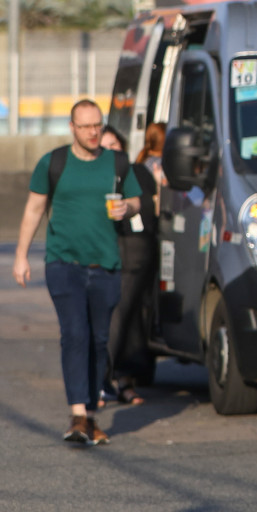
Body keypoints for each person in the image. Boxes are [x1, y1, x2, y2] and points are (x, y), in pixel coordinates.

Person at [13, 98, 144, 446]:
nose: (92, 132)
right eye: (85, 126)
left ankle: (89, 412)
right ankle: (79, 414)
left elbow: (137, 201)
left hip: (105, 265)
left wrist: (125, 208)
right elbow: (34, 209)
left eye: (97, 125)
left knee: (99, 340)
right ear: (72, 128)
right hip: (63, 264)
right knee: (75, 333)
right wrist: (21, 256)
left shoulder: (116, 162)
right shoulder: (53, 162)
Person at [100, 125, 161, 404]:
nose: (111, 151)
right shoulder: (98, 177)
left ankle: (117, 378)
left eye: (115, 145)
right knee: (117, 315)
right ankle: (109, 377)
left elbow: (154, 204)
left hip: (138, 251)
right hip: (107, 252)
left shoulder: (137, 172)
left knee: (129, 314)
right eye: (105, 146)